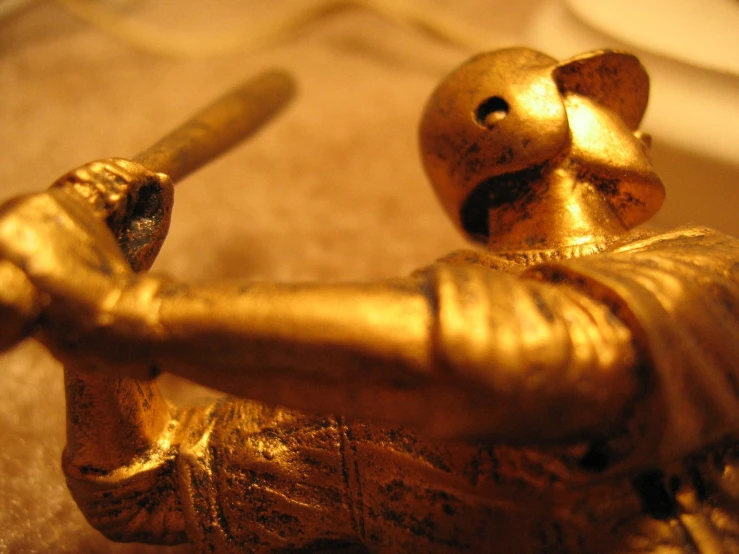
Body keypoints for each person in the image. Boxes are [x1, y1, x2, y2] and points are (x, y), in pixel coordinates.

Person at [1, 48, 738, 553]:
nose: (637, 128)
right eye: (600, 100)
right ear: (509, 115)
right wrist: (105, 300)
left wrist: (117, 312)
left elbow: (545, 359)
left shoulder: (700, 268)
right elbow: (146, 489)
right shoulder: (365, 370)